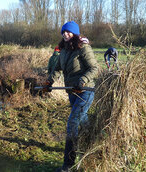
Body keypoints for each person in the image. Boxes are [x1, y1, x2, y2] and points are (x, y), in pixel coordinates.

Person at [43, 21, 98, 172]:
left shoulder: (83, 47)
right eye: (63, 32)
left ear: (75, 33)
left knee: (72, 123)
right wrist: (49, 81)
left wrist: (83, 80)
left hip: (85, 91)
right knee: (85, 123)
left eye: (68, 32)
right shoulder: (64, 50)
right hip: (72, 93)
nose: (65, 34)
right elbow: (57, 68)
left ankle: (68, 165)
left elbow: (95, 68)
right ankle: (96, 146)